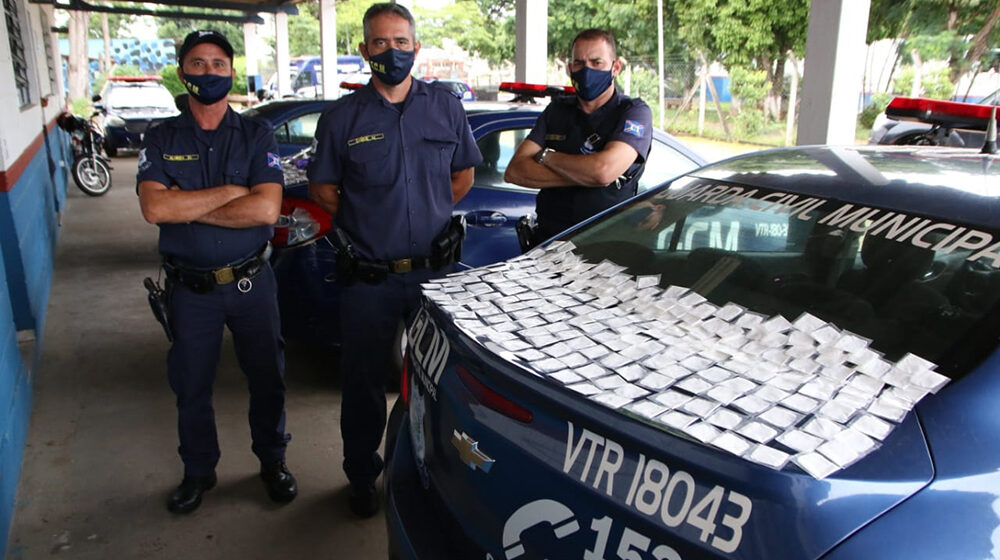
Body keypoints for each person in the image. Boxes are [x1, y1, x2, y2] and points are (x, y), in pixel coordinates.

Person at [307, 2, 481, 518]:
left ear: (416, 47)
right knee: (362, 385)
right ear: (364, 50)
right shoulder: (343, 117)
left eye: (401, 42)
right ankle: (362, 475)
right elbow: (322, 187)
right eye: (380, 43)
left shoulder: (445, 107)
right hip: (369, 280)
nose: (392, 51)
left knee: (439, 380)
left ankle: (438, 475)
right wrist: (371, 219)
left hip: (434, 275)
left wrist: (427, 211)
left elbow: (462, 175)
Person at [137, 29, 296, 514]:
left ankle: (272, 461)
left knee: (268, 377)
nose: (209, 72)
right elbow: (153, 209)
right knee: (191, 384)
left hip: (252, 281)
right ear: (183, 70)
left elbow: (267, 211)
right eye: (198, 63)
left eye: (218, 63)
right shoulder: (161, 136)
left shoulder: (256, 134)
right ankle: (199, 471)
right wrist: (231, 192)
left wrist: (182, 205)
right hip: (191, 289)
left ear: (232, 70)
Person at [504, 28, 654, 246]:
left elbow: (603, 171)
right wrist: (589, 176)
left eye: (597, 62)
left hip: (607, 248)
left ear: (616, 67)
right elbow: (515, 171)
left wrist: (546, 157)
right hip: (551, 244)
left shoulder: (633, 112)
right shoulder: (556, 111)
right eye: (579, 63)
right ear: (570, 68)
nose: (587, 70)